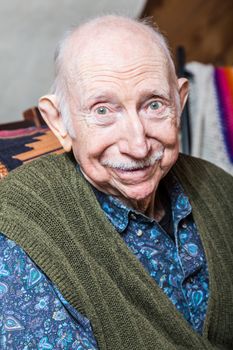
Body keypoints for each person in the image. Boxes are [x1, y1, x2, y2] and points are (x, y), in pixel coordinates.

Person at [0, 15, 233, 350]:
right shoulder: (20, 229)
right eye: (103, 111)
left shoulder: (220, 189)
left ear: (179, 102)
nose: (137, 145)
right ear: (60, 122)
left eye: (154, 104)